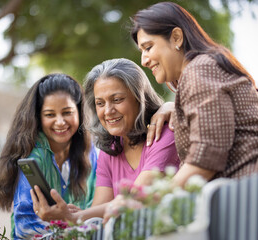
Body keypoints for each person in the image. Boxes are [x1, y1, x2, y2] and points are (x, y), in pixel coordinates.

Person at [130, 2, 258, 186]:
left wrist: (151, 201)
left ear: (176, 37)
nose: (143, 60)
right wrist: (170, 108)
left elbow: (205, 159)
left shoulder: (200, 69)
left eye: (148, 47)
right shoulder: (200, 72)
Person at [31, 58, 180, 223]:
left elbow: (134, 198)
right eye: (100, 103)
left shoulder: (164, 133)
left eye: (117, 100)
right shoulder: (110, 149)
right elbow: (100, 213)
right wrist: (72, 216)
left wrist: (74, 217)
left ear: (139, 98)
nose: (108, 111)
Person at [0, 73, 97, 239]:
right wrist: (71, 222)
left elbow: (96, 210)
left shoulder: (90, 154)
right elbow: (24, 227)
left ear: (79, 112)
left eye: (67, 112)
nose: (60, 121)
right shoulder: (34, 158)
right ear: (38, 118)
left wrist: (68, 219)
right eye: (50, 115)